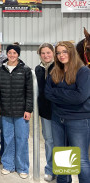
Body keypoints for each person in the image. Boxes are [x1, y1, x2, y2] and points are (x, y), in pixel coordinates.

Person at [45, 41, 90, 183]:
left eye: (64, 51)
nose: (61, 55)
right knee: (63, 157)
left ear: (72, 52)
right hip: (58, 119)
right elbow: (47, 93)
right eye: (58, 53)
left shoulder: (83, 71)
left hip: (78, 121)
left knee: (81, 160)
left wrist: (57, 92)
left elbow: (80, 97)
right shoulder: (55, 71)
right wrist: (66, 94)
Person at [0, 44, 33, 179]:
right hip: (5, 111)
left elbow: (29, 91)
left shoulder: (25, 70)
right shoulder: (0, 70)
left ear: (18, 55)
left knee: (21, 139)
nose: (12, 55)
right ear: (7, 54)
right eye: (10, 52)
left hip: (21, 112)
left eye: (15, 53)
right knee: (8, 138)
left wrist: (28, 109)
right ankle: (8, 165)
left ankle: (22, 167)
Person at [35, 43, 55, 182]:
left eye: (48, 52)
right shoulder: (38, 69)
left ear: (53, 53)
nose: (46, 55)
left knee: (64, 141)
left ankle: (64, 172)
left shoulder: (60, 67)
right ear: (39, 54)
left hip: (62, 113)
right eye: (43, 53)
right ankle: (50, 169)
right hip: (46, 113)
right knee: (49, 141)